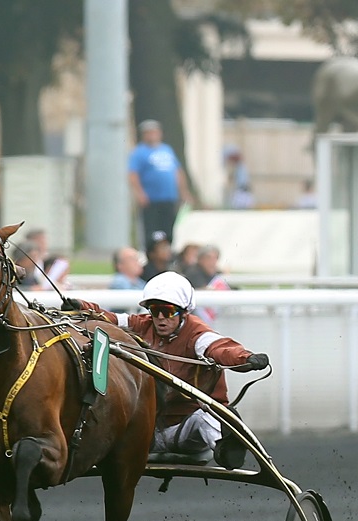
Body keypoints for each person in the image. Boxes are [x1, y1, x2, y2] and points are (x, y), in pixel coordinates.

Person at [63, 272, 268, 469]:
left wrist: (246, 359)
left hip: (185, 431)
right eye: (154, 310)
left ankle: (226, 448)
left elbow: (221, 348)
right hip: (146, 431)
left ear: (183, 312)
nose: (160, 318)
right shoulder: (141, 325)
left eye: (168, 311)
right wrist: (81, 307)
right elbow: (107, 318)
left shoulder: (197, 335)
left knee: (209, 415)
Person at [128, 119, 194, 252]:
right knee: (152, 230)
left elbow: (177, 171)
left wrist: (184, 191)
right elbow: (133, 174)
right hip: (151, 199)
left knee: (169, 229)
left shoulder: (166, 150)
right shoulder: (139, 152)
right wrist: (140, 193)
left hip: (169, 197)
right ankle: (151, 253)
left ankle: (167, 252)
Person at [185, 245, 231, 323]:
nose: (212, 262)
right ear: (200, 259)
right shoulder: (193, 272)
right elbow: (204, 289)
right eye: (209, 258)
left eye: (215, 258)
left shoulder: (215, 273)